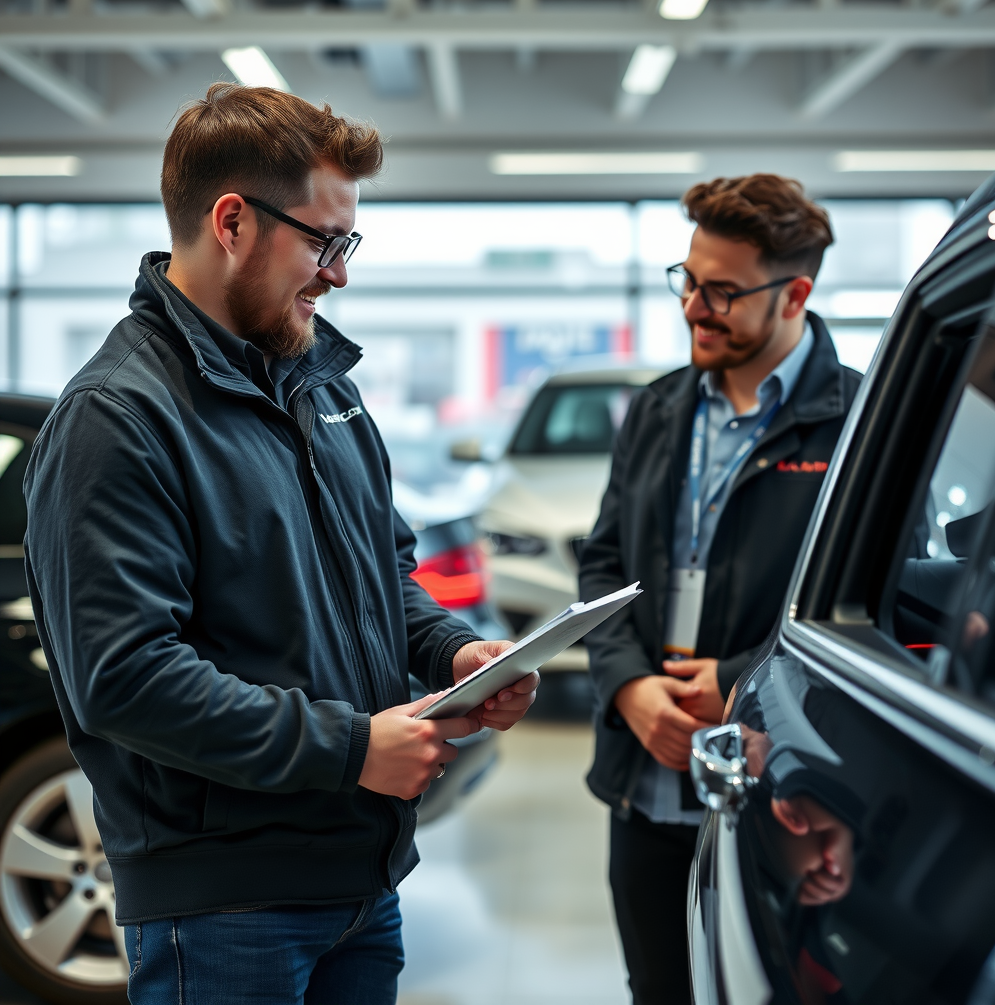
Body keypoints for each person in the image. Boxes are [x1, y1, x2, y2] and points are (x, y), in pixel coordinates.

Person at [23, 83, 538, 1005]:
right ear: (231, 221)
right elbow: (126, 677)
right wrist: (351, 750)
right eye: (322, 242)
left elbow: (381, 571)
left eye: (349, 244)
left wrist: (454, 651)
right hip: (224, 911)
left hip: (359, 880)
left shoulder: (318, 386)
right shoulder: (118, 418)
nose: (339, 273)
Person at [579, 173, 861, 1004]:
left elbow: (869, 611)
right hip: (645, 780)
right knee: (660, 988)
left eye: (724, 293)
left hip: (780, 790)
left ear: (795, 293)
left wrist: (741, 682)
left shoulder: (859, 424)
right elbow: (604, 567)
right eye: (689, 282)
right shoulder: (660, 409)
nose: (695, 308)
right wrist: (629, 688)